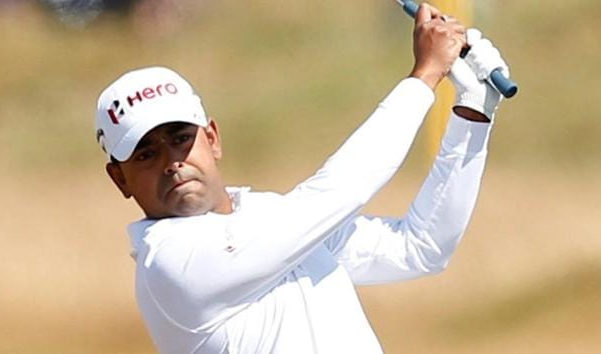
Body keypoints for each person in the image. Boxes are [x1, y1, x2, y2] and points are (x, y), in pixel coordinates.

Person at [94, 4, 509, 354]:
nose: (172, 162)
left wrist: (473, 111)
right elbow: (338, 192)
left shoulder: (269, 216)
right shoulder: (171, 263)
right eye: (146, 154)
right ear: (120, 179)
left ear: (212, 138)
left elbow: (420, 248)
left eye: (181, 139)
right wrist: (424, 77)